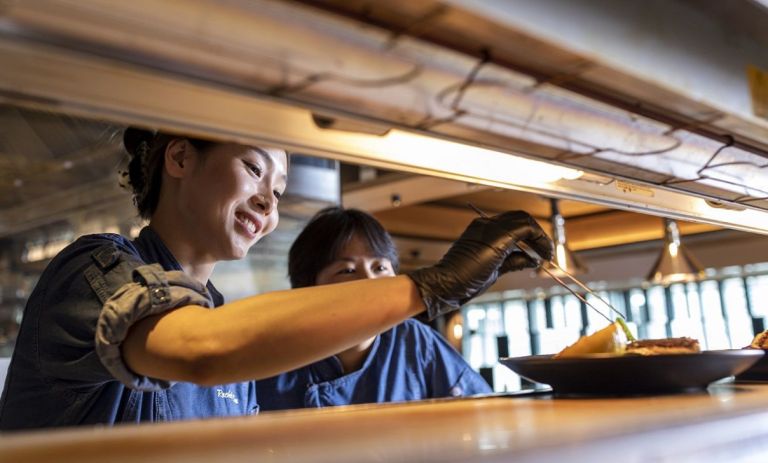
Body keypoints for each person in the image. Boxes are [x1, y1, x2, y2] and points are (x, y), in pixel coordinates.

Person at [0, 127, 552, 430]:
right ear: (180, 158)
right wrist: (435, 284)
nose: (268, 201)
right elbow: (201, 350)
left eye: (280, 190)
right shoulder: (93, 269)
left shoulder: (225, 322)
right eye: (253, 168)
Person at [258, 207, 492, 410]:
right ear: (307, 288)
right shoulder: (272, 355)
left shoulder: (415, 341)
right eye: (347, 270)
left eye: (379, 267)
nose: (370, 282)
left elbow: (482, 412)